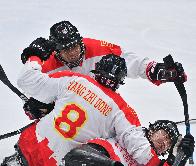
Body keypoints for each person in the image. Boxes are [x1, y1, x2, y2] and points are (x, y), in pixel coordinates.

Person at [14, 54, 194, 166]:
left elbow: (27, 81)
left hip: (26, 145)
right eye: (164, 134)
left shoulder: (73, 79)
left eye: (168, 141)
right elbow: (142, 151)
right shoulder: (120, 110)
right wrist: (167, 162)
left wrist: (35, 56)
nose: (163, 141)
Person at [20, 20, 187, 120]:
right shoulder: (45, 64)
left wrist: (156, 69)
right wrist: (35, 106)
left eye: (75, 45)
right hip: (64, 116)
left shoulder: (96, 48)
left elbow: (128, 60)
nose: (73, 52)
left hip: (97, 109)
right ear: (55, 50)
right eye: (66, 48)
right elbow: (28, 84)